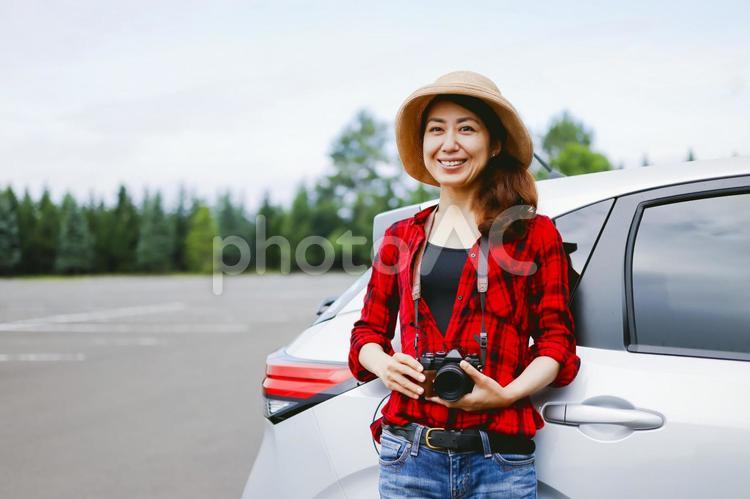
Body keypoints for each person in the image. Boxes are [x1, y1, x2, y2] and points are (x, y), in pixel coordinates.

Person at [348, 70, 581, 498]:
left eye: (466, 128)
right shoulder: (401, 237)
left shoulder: (533, 233)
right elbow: (366, 334)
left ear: (494, 145)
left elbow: (556, 342)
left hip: (501, 460)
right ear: (423, 145)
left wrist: (505, 393)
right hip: (409, 456)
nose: (449, 144)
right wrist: (385, 365)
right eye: (437, 130)